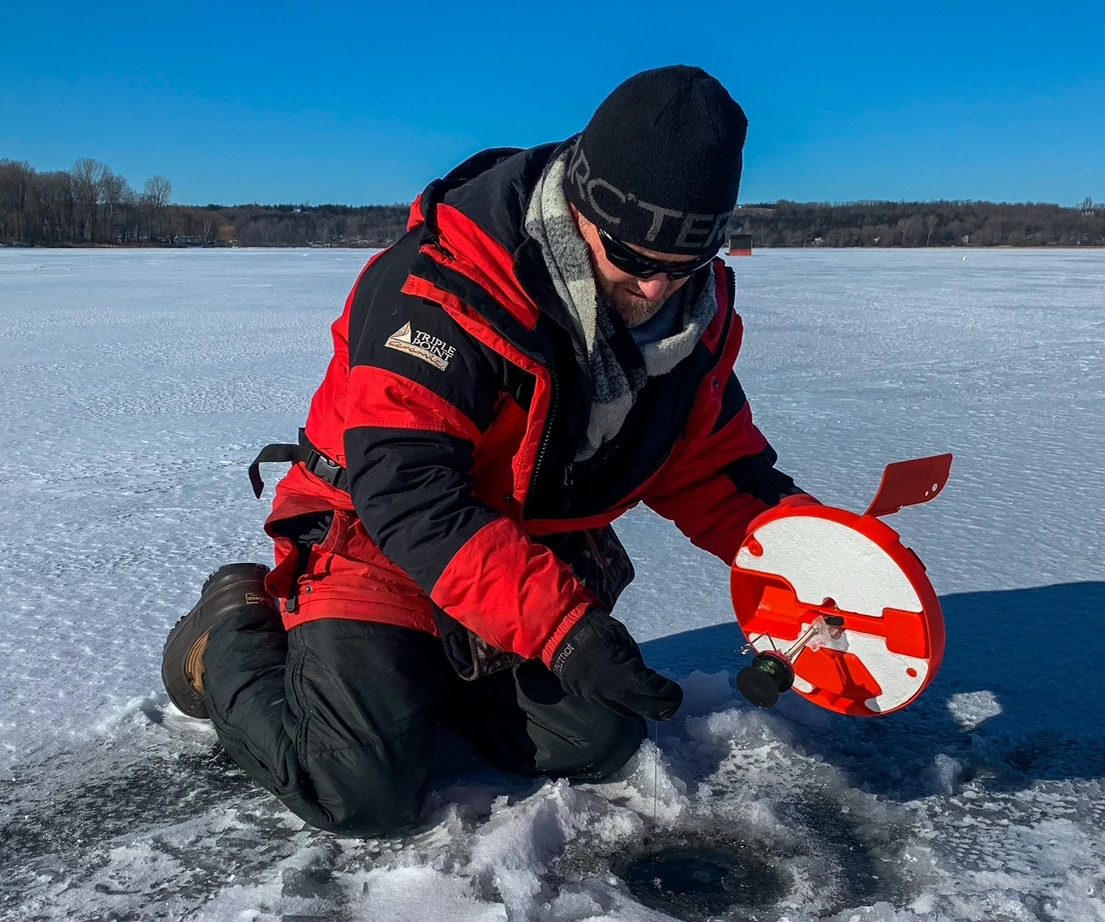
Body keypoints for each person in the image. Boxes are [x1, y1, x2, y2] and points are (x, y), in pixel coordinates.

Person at [162, 65, 808, 836]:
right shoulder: (440, 286)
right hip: (376, 539)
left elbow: (710, 466)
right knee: (360, 790)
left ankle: (423, 673)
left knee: (597, 738)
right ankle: (225, 631)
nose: (659, 290)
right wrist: (562, 629)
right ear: (581, 207)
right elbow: (409, 496)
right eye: (635, 260)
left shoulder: (689, 320)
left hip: (516, 546)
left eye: (686, 265)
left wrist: (820, 560)